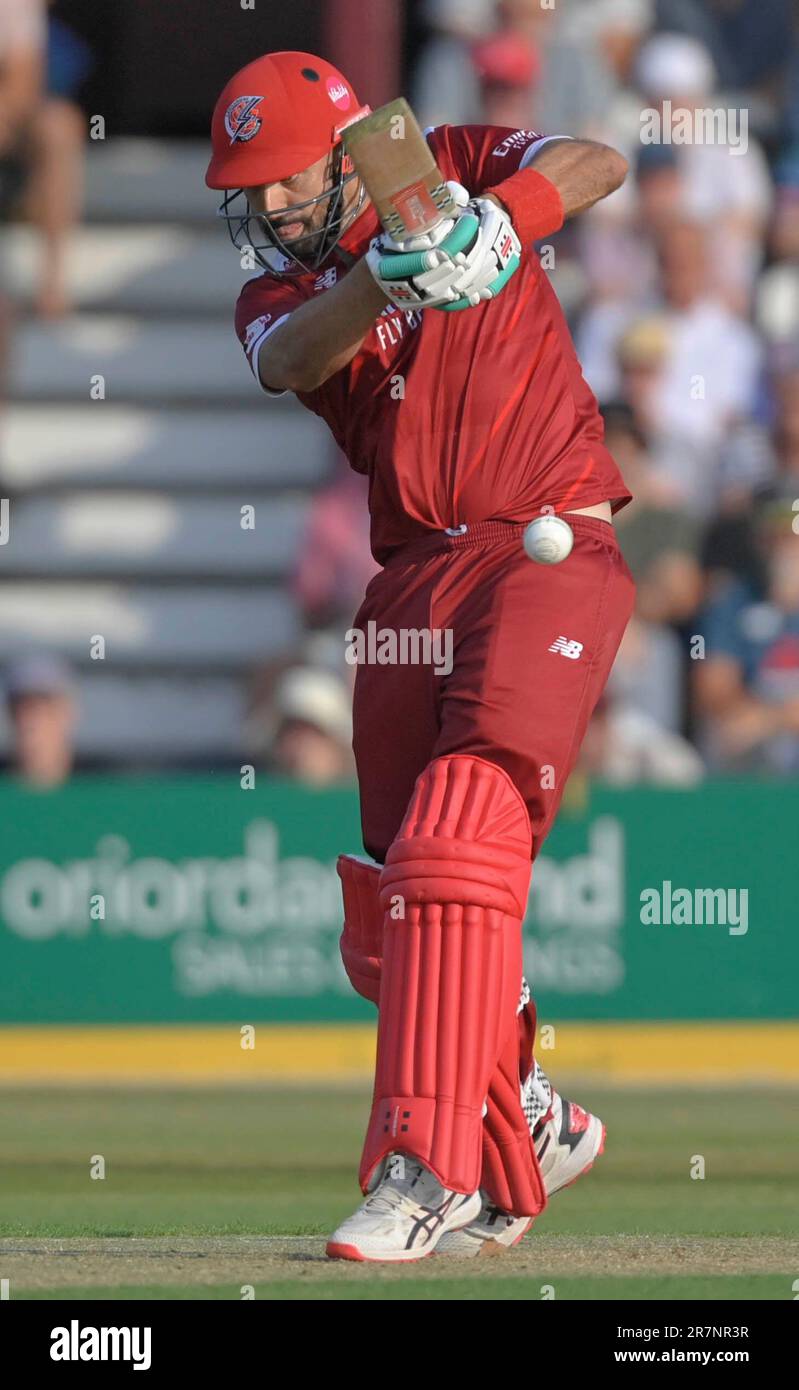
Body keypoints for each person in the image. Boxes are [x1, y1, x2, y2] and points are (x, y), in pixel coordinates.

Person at [207, 51, 634, 1262]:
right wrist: (393, 276)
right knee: (397, 918)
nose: (266, 212)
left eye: (281, 184)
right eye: (251, 191)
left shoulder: (445, 163)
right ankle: (526, 1118)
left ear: (347, 155)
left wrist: (499, 223)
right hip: (408, 580)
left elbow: (595, 159)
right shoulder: (277, 299)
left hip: (544, 541)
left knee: (458, 835)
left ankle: (425, 1168)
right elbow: (293, 358)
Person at [3, 651, 76, 787]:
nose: (32, 722)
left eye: (47, 709)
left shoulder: (107, 786)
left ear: (69, 713)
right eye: (21, 708)